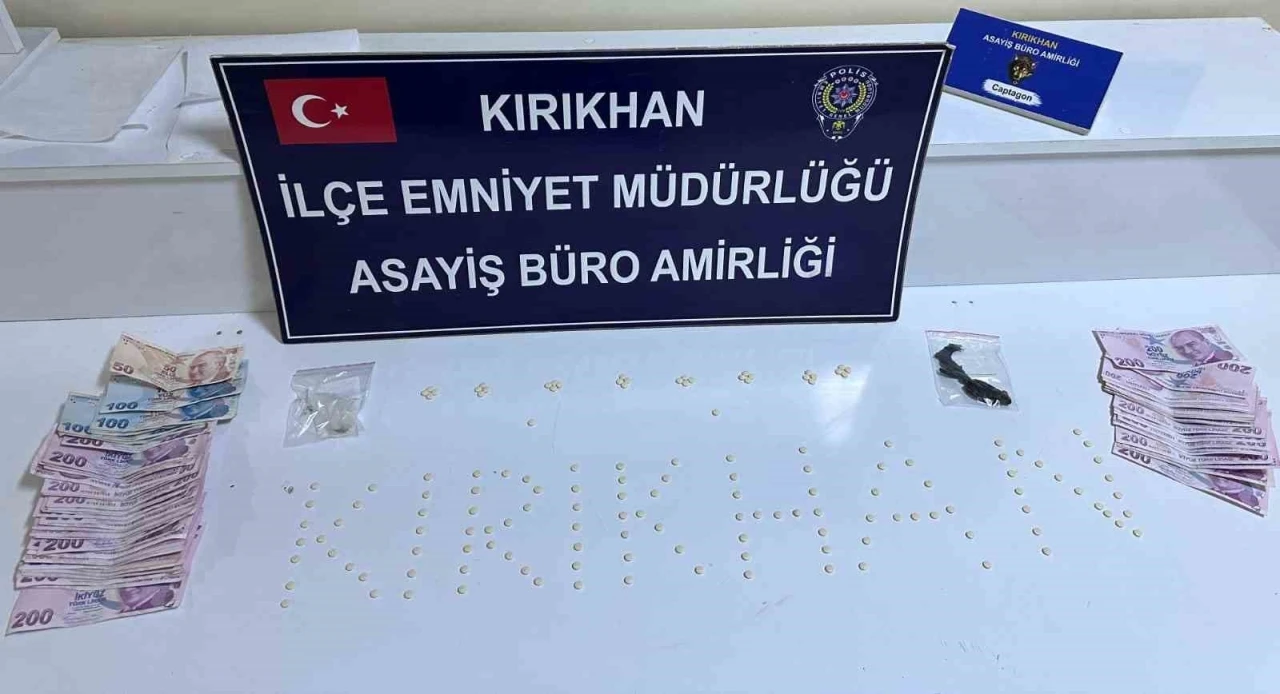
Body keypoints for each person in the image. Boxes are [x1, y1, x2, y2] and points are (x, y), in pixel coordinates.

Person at [1169, 329, 1234, 365]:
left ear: (1207, 342)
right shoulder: (1194, 366)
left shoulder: (1227, 360)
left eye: (1191, 344)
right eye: (1179, 348)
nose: (1187, 351)